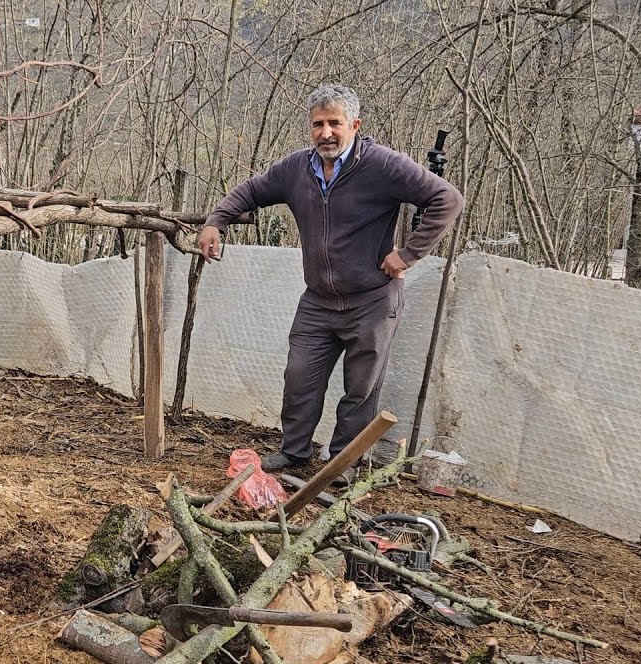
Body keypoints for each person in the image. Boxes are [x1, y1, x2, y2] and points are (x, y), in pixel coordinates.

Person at [198, 84, 463, 474]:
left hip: (371, 301)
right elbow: (253, 189)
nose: (326, 133)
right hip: (318, 300)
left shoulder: (382, 165)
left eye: (334, 123)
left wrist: (408, 254)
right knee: (300, 377)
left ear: (354, 124)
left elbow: (447, 198)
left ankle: (344, 464)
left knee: (361, 389)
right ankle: (294, 451)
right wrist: (215, 221)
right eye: (318, 124)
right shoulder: (296, 169)